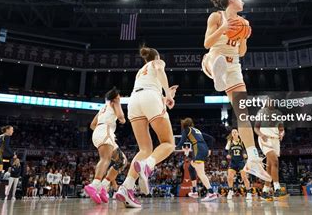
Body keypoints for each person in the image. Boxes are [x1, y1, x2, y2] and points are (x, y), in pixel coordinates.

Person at [202, 0, 270, 182]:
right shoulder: (217, 16)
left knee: (243, 113)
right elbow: (206, 43)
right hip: (213, 58)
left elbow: (241, 52)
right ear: (231, 0)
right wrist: (223, 27)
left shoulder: (244, 23)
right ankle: (217, 75)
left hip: (234, 67)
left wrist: (245, 39)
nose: (243, 1)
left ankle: (253, 159)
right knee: (216, 60)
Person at [115, 46, 178, 208]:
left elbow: (148, 90)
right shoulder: (158, 62)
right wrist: (169, 95)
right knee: (168, 143)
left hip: (134, 100)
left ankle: (126, 186)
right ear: (156, 57)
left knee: (144, 149)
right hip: (150, 97)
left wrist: (164, 97)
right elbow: (158, 73)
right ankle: (147, 165)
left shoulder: (140, 71)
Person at [85, 87, 126, 204]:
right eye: (119, 97)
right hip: (105, 131)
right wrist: (107, 131)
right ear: (114, 98)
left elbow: (92, 125)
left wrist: (105, 132)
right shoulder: (114, 103)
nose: (120, 98)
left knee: (122, 161)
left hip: (100, 132)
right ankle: (94, 185)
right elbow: (121, 118)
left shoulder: (103, 108)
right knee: (105, 159)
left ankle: (103, 186)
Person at [176, 118, 217, 202]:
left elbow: (181, 142)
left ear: (184, 124)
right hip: (203, 148)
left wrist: (174, 148)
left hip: (198, 150)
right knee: (191, 167)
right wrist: (209, 149)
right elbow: (211, 138)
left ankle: (211, 193)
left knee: (201, 173)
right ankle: (194, 191)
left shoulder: (186, 130)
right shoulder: (197, 130)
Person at [254, 103, 288, 200]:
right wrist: (261, 135)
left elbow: (281, 128)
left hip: (276, 140)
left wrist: (282, 133)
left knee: (270, 166)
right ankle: (277, 188)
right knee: (275, 162)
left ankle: (265, 191)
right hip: (265, 139)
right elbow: (256, 128)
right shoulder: (261, 113)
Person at [225, 129, 252, 200]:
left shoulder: (242, 142)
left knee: (244, 178)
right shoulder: (229, 142)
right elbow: (225, 151)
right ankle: (230, 191)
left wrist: (246, 154)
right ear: (231, 134)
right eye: (233, 132)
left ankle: (249, 192)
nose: (234, 133)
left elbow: (246, 150)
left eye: (235, 132)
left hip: (241, 162)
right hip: (233, 162)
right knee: (229, 177)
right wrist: (227, 155)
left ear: (238, 133)